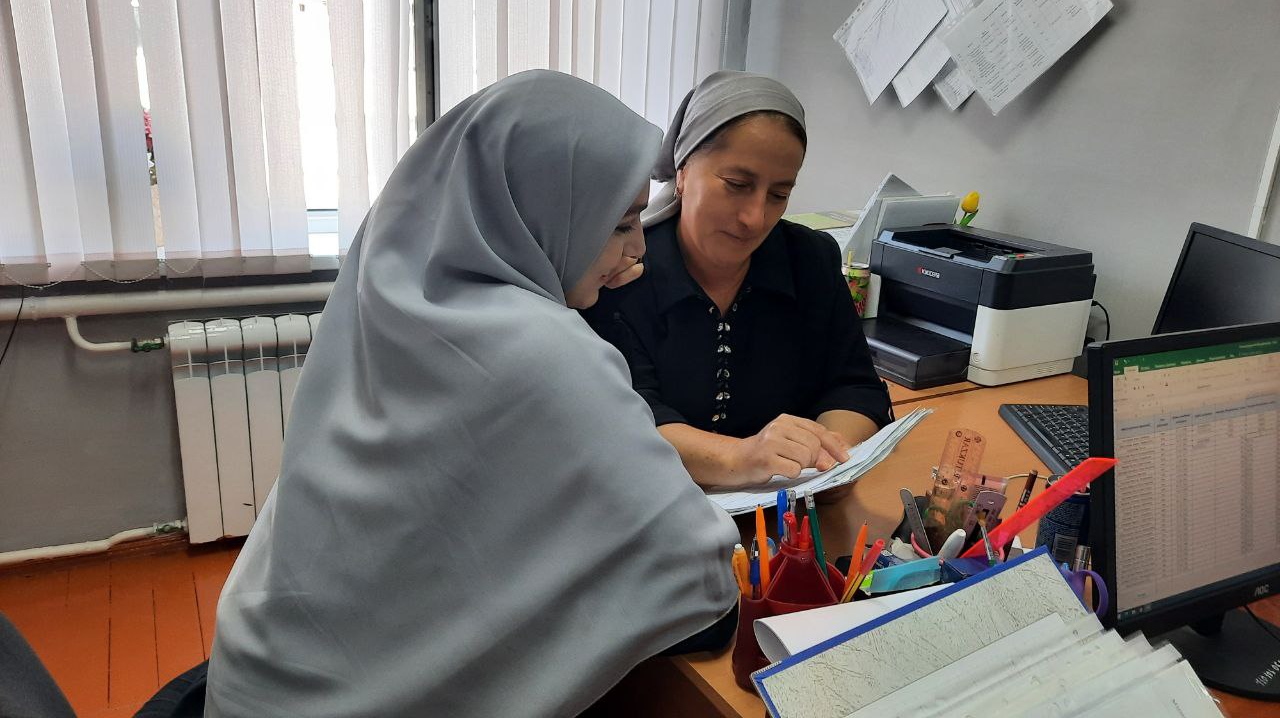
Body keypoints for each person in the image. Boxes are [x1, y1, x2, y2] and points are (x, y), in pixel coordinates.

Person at [204, 70, 739, 718]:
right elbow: (698, 581)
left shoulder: (390, 294)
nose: (638, 248)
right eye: (621, 222)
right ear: (542, 208)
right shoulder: (543, 351)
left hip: (255, 675)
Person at [585, 72, 892, 492]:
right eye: (737, 185)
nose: (755, 217)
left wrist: (829, 457)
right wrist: (741, 457)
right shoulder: (620, 270)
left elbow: (854, 386)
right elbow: (623, 419)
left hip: (790, 512)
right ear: (683, 172)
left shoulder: (810, 260)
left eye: (778, 194)